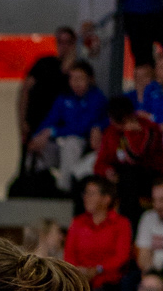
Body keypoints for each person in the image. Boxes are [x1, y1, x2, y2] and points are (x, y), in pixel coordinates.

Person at [27, 60, 107, 194]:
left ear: (90, 79)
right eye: (72, 78)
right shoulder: (64, 97)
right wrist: (37, 137)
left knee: (71, 143)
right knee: (38, 148)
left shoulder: (97, 99)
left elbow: (81, 128)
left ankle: (65, 191)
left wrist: (53, 132)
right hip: (61, 144)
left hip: (83, 147)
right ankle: (35, 188)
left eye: (80, 79)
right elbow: (50, 120)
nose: (76, 83)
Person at [62, 176, 133, 291]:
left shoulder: (121, 223)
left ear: (106, 199)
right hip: (80, 279)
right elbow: (69, 255)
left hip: (109, 282)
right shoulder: (77, 222)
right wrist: (79, 271)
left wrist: (98, 269)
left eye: (91, 193)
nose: (86, 197)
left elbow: (121, 257)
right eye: (85, 193)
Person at [93, 94, 163, 228]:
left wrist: (130, 134)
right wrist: (107, 171)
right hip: (121, 177)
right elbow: (100, 162)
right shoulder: (110, 132)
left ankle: (130, 227)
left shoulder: (148, 129)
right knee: (88, 183)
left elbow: (135, 157)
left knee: (128, 176)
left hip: (148, 175)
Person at [19, 26, 77, 149]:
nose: (64, 47)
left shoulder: (77, 71)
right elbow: (25, 90)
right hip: (35, 121)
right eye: (60, 42)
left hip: (61, 128)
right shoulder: (44, 63)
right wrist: (22, 120)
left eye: (67, 42)